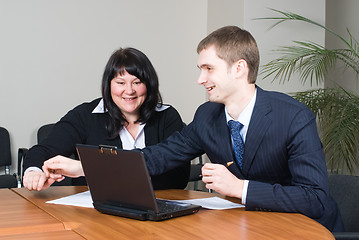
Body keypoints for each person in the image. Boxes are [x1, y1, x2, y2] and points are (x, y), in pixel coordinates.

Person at [43, 26, 343, 232]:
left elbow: (314, 197)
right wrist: (84, 167)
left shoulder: (293, 116)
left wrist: (239, 188)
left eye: (208, 69)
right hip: (249, 227)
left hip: (305, 230)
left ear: (239, 68)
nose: (201, 79)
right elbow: (157, 156)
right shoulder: (207, 116)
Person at [23, 47, 190, 191]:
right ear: (108, 84)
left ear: (149, 85)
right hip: (96, 213)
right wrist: (34, 172)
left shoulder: (167, 116)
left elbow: (178, 177)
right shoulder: (86, 115)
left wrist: (90, 169)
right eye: (120, 82)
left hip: (158, 209)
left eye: (137, 82)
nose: (129, 91)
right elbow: (43, 150)